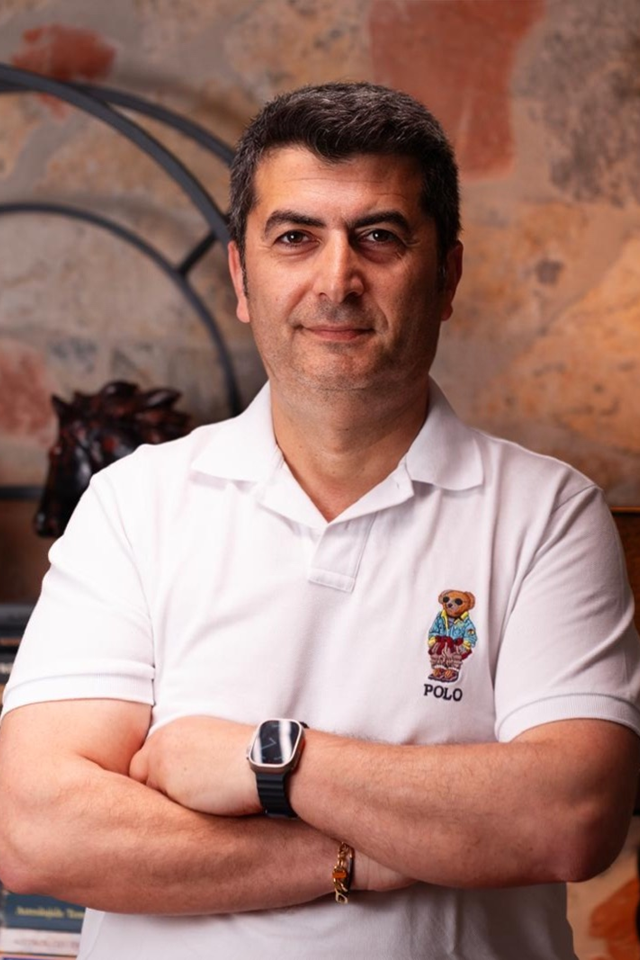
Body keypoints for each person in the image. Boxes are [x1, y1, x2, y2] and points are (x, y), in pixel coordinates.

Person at [0, 81, 638, 960]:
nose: (337, 280)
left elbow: (568, 818)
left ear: (447, 277)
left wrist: (271, 760)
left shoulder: (547, 514)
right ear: (242, 277)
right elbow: (37, 831)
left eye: (379, 237)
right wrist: (355, 857)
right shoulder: (132, 506)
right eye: (296, 237)